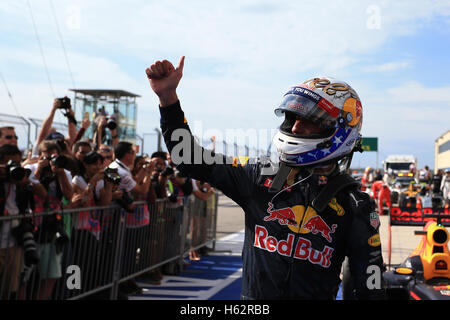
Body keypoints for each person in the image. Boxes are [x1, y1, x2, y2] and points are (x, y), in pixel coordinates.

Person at [146, 56, 384, 299]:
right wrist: (167, 99)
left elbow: (371, 288)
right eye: (292, 118)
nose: (294, 128)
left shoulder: (356, 205)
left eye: (310, 121)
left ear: (339, 129)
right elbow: (189, 158)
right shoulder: (259, 175)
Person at [25, 140, 73, 299]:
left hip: (52, 230)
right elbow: (27, 193)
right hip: (31, 228)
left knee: (51, 275)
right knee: (23, 278)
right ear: (40, 156)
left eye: (55, 156)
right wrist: (38, 170)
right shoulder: (29, 169)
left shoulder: (64, 172)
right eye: (48, 157)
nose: (51, 160)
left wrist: (59, 173)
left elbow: (68, 195)